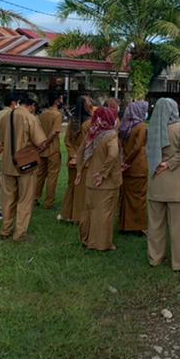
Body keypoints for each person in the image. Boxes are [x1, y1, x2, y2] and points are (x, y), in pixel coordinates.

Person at [0, 95, 49, 242]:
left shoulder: (5, 118)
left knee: (7, 199)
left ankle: (5, 231)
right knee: (25, 200)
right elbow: (41, 142)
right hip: (26, 165)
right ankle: (20, 234)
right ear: (31, 105)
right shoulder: (30, 118)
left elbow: (2, 141)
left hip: (7, 164)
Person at [145, 98, 180, 271]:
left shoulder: (153, 129)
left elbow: (147, 152)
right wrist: (170, 163)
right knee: (177, 226)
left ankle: (155, 258)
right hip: (177, 183)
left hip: (156, 180)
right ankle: (178, 262)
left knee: (155, 224)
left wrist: (161, 163)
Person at [80, 106, 121, 251]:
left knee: (89, 210)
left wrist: (80, 173)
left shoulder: (92, 134)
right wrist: (103, 173)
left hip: (90, 178)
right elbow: (113, 154)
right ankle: (101, 244)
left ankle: (86, 239)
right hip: (106, 182)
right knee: (104, 213)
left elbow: (81, 154)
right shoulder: (111, 135)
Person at [59, 96, 95, 224]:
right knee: (81, 189)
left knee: (72, 186)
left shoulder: (72, 122)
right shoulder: (90, 123)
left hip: (72, 159)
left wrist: (73, 155)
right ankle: (78, 216)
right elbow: (89, 144)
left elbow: (67, 140)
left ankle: (66, 213)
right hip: (84, 160)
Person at [117, 101, 149, 235]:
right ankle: (137, 227)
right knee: (138, 197)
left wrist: (123, 161)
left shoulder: (125, 125)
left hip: (126, 165)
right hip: (137, 166)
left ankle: (125, 225)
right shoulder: (141, 126)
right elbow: (137, 147)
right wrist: (128, 162)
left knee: (126, 196)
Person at [34, 94, 64, 209]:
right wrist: (47, 143)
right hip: (52, 149)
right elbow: (55, 132)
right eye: (61, 99)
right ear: (56, 101)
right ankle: (49, 202)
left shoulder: (42, 114)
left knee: (40, 175)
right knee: (52, 176)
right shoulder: (57, 115)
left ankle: (35, 198)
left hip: (41, 149)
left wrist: (42, 145)